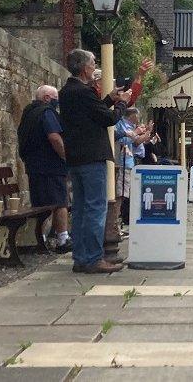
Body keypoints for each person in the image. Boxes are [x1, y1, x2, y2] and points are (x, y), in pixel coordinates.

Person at [59, 49, 130, 274]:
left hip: (76, 157)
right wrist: (122, 104)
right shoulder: (84, 92)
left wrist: (110, 98)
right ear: (83, 68)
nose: (94, 67)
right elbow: (107, 118)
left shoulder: (67, 91)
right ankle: (92, 258)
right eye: (92, 64)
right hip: (92, 157)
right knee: (95, 208)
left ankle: (81, 257)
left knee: (80, 208)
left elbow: (92, 113)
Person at [17, 85, 70, 253]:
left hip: (33, 166)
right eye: (55, 98)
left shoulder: (28, 113)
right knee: (60, 201)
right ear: (47, 98)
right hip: (51, 166)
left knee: (40, 203)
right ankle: (63, 239)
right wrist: (65, 156)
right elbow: (54, 137)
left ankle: (40, 238)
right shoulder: (46, 113)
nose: (57, 102)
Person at [115, 108, 151, 225]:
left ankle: (120, 219)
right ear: (132, 115)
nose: (138, 119)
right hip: (122, 161)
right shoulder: (121, 125)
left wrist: (146, 133)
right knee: (121, 193)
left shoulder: (130, 127)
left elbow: (135, 142)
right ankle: (115, 221)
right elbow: (124, 141)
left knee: (126, 192)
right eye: (137, 116)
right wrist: (136, 132)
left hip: (129, 161)